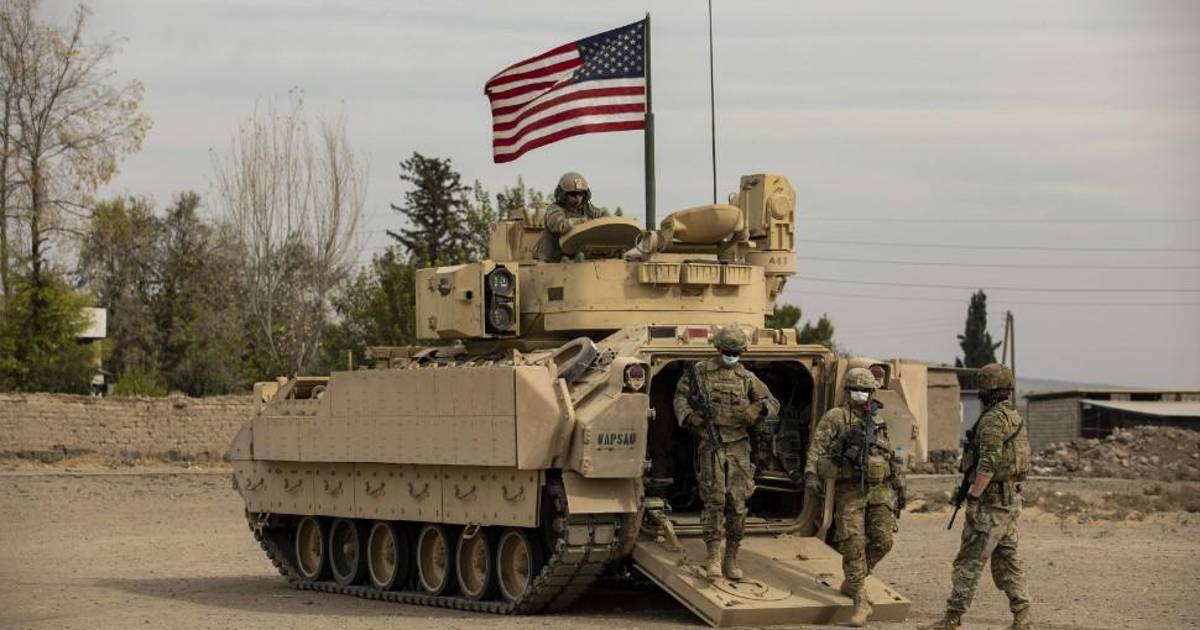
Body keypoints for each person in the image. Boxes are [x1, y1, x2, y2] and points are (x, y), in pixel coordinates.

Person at [921, 363, 1033, 630]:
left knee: (969, 561)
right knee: (1007, 560)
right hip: (1009, 502)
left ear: (989, 389)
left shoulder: (993, 420)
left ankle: (952, 618)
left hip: (991, 504)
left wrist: (972, 497)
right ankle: (1023, 615)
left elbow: (988, 464)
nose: (979, 391)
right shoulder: (1013, 416)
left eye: (982, 387)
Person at [673, 325, 779, 580]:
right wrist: (690, 417)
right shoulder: (699, 372)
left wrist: (757, 409)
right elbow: (680, 397)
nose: (731, 356)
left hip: (738, 446)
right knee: (714, 501)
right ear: (718, 349)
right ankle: (713, 557)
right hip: (711, 444)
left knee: (738, 504)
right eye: (727, 352)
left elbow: (773, 403)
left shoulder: (747, 377)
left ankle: (731, 557)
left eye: (736, 353)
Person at [804, 367, 905, 627]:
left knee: (883, 540)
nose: (860, 394)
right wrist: (811, 474)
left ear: (872, 392)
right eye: (855, 389)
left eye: (865, 390)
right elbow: (817, 447)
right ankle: (860, 598)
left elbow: (890, 453)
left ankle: (853, 580)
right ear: (848, 391)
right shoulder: (836, 417)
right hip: (850, 488)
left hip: (879, 488)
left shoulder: (878, 419)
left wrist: (899, 484)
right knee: (852, 542)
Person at [539, 171, 608, 261]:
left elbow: (604, 218)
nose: (577, 198)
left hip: (580, 256)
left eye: (580, 194)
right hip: (556, 259)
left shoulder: (587, 208)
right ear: (563, 195)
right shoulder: (554, 209)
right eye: (573, 195)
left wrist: (601, 218)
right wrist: (584, 221)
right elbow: (560, 225)